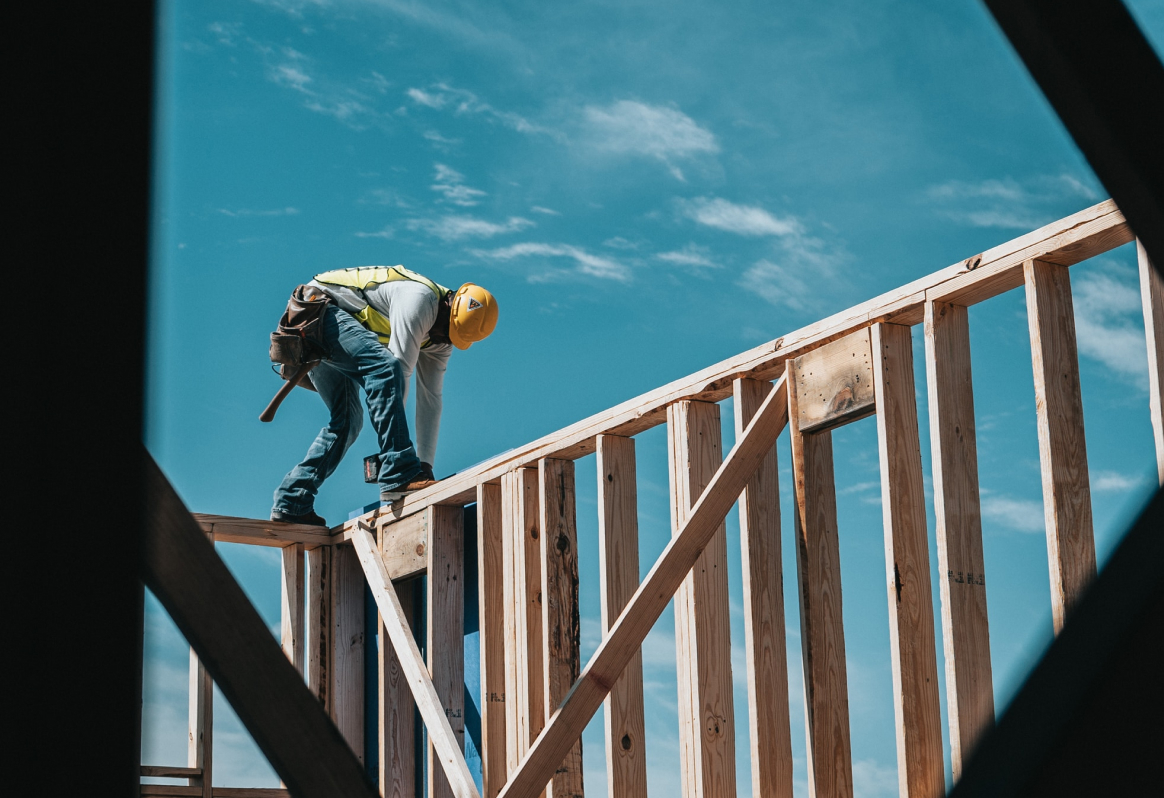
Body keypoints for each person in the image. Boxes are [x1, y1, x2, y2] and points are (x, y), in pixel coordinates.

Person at [270, 265, 498, 526]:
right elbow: (396, 372)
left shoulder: (441, 339)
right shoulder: (420, 300)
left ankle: (292, 500)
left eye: (451, 337)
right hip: (316, 312)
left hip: (329, 329)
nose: (442, 340)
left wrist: (425, 465)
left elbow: (430, 399)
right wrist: (398, 462)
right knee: (385, 367)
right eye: (445, 331)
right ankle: (398, 470)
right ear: (448, 305)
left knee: (347, 422)